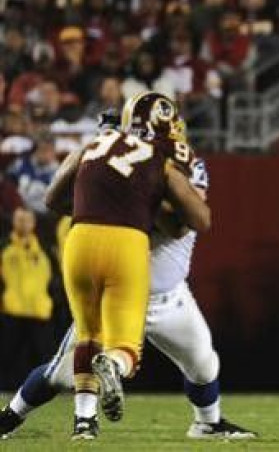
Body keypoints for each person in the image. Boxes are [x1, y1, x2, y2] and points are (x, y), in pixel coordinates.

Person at [0, 158, 255, 441]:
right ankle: (11, 415)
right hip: (120, 290)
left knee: (203, 362)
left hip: (169, 296)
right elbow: (59, 202)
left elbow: (184, 222)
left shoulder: (182, 162)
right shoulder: (114, 160)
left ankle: (207, 423)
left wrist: (138, 199)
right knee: (60, 373)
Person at [43, 92, 211, 439]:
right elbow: (195, 221)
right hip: (128, 247)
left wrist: (98, 205)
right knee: (125, 347)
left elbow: (52, 199)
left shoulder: (96, 145)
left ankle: (82, 423)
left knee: (86, 336)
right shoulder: (162, 156)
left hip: (80, 240)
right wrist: (145, 206)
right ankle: (115, 365)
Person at [0, 207, 54, 389]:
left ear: (34, 222)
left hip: (39, 311)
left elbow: (55, 276)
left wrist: (52, 299)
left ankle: (45, 391)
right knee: (6, 356)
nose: (24, 223)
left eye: (27, 220)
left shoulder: (45, 247)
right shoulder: (4, 246)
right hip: (11, 310)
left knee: (43, 357)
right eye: (20, 219)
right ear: (13, 221)